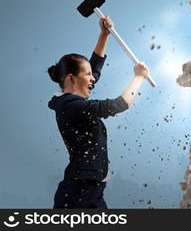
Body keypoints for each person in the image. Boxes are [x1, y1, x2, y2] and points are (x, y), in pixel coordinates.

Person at [47, 16, 149, 209]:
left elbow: (93, 71)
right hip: (79, 193)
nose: (92, 78)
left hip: (90, 189)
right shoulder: (70, 106)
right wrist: (138, 78)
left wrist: (104, 35)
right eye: (87, 75)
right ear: (71, 78)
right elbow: (118, 105)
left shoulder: (71, 101)